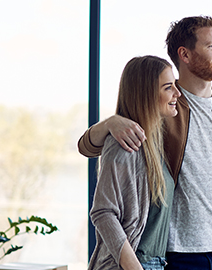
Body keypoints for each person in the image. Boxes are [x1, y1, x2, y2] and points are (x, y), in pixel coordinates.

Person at [80, 16, 212, 270]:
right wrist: (110, 123)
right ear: (184, 54)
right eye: (211, 46)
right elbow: (88, 148)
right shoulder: (163, 106)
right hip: (172, 255)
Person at [81, 55, 181, 270]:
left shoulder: (152, 143)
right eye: (168, 87)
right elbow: (103, 212)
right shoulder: (123, 144)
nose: (177, 93)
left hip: (155, 263)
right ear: (146, 94)